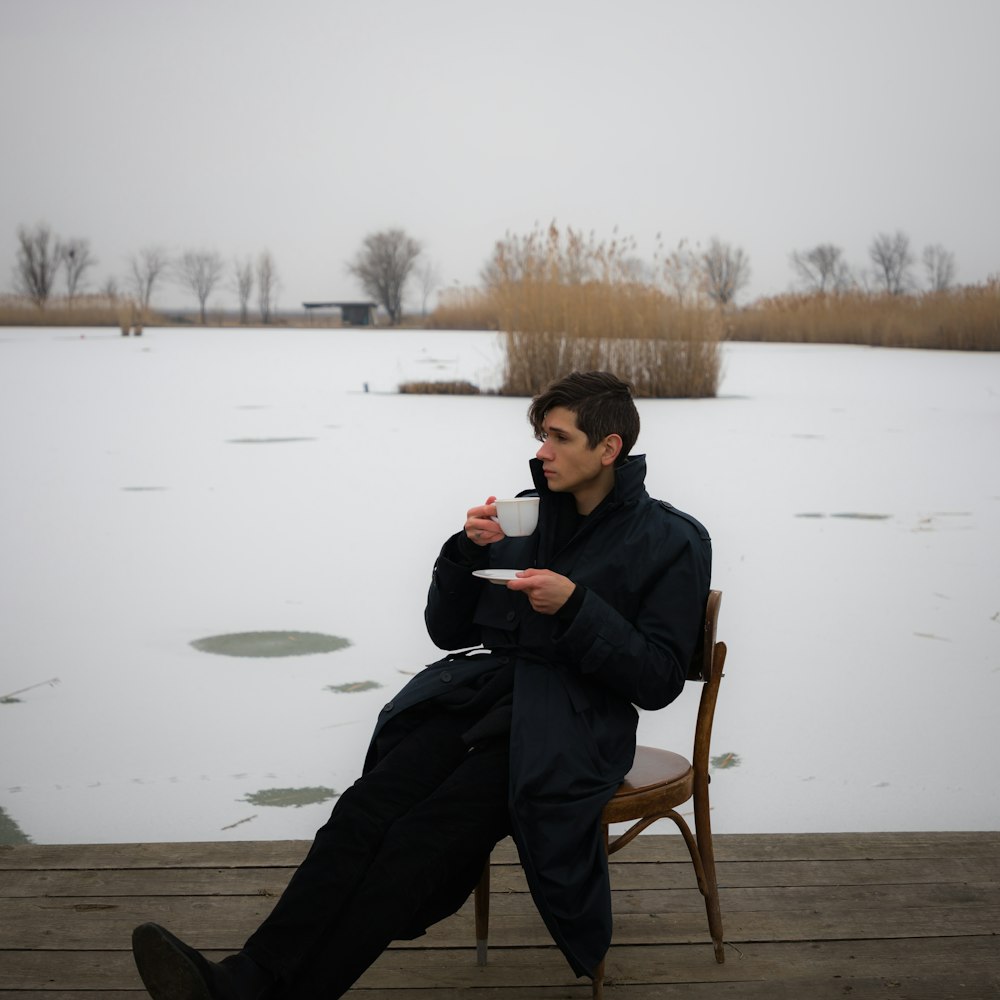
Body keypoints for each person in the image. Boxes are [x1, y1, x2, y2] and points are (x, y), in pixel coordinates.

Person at [131, 370, 712, 1000]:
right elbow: (447, 630)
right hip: (488, 700)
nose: (542, 452)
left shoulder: (672, 540)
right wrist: (464, 553)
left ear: (609, 448)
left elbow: (657, 680)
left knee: (420, 840)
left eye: (558, 438)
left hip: (576, 729)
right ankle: (244, 978)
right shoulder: (528, 515)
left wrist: (576, 607)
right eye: (542, 435)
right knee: (362, 812)